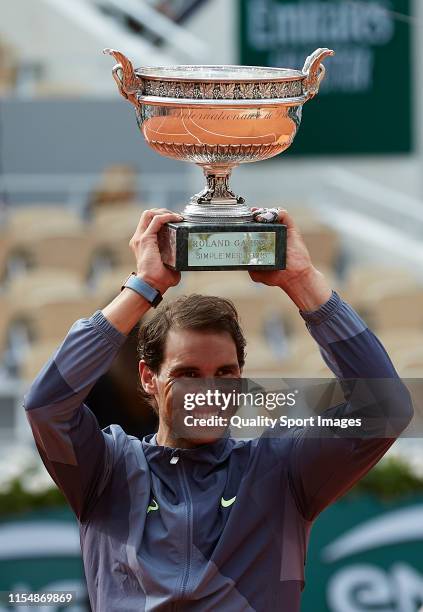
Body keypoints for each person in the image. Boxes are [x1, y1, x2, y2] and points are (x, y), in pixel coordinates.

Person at [24, 208, 413, 611]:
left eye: (224, 373)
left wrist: (302, 281)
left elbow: (385, 405)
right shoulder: (106, 469)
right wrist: (143, 288)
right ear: (147, 377)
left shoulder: (280, 468)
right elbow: (45, 404)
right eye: (188, 373)